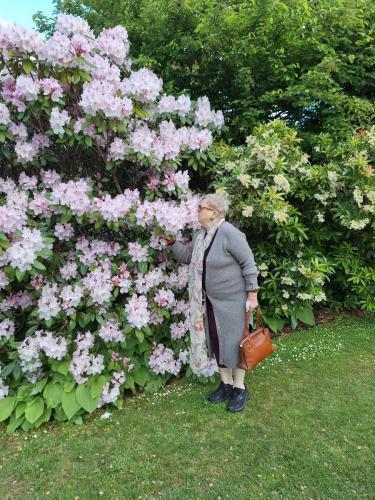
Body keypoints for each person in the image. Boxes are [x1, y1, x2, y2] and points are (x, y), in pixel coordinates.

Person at [164, 192, 260, 412]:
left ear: (214, 213)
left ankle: (240, 388)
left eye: (201, 207)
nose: (198, 210)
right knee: (217, 343)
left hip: (233, 301)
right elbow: (188, 256)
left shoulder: (229, 233)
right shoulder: (201, 235)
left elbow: (248, 263)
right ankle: (225, 384)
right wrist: (171, 241)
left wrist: (252, 295)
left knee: (236, 344)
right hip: (208, 302)